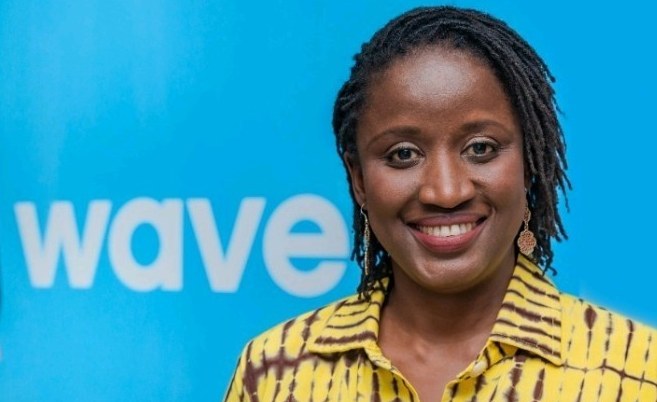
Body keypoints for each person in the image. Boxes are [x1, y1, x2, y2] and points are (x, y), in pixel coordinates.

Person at [223, 6, 657, 401]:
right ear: (358, 180)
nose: (445, 192)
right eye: (403, 154)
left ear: (529, 162)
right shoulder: (274, 372)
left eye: (481, 148)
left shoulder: (638, 372)